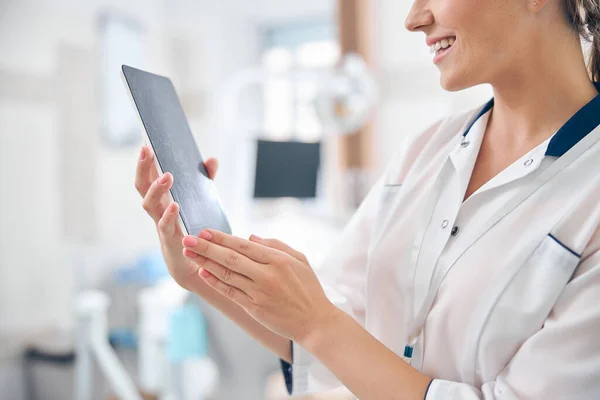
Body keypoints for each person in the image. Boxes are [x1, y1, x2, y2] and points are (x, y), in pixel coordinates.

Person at [135, 0, 600, 398]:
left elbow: (321, 325)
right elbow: (319, 326)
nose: (414, 18)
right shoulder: (424, 152)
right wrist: (196, 270)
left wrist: (318, 324)